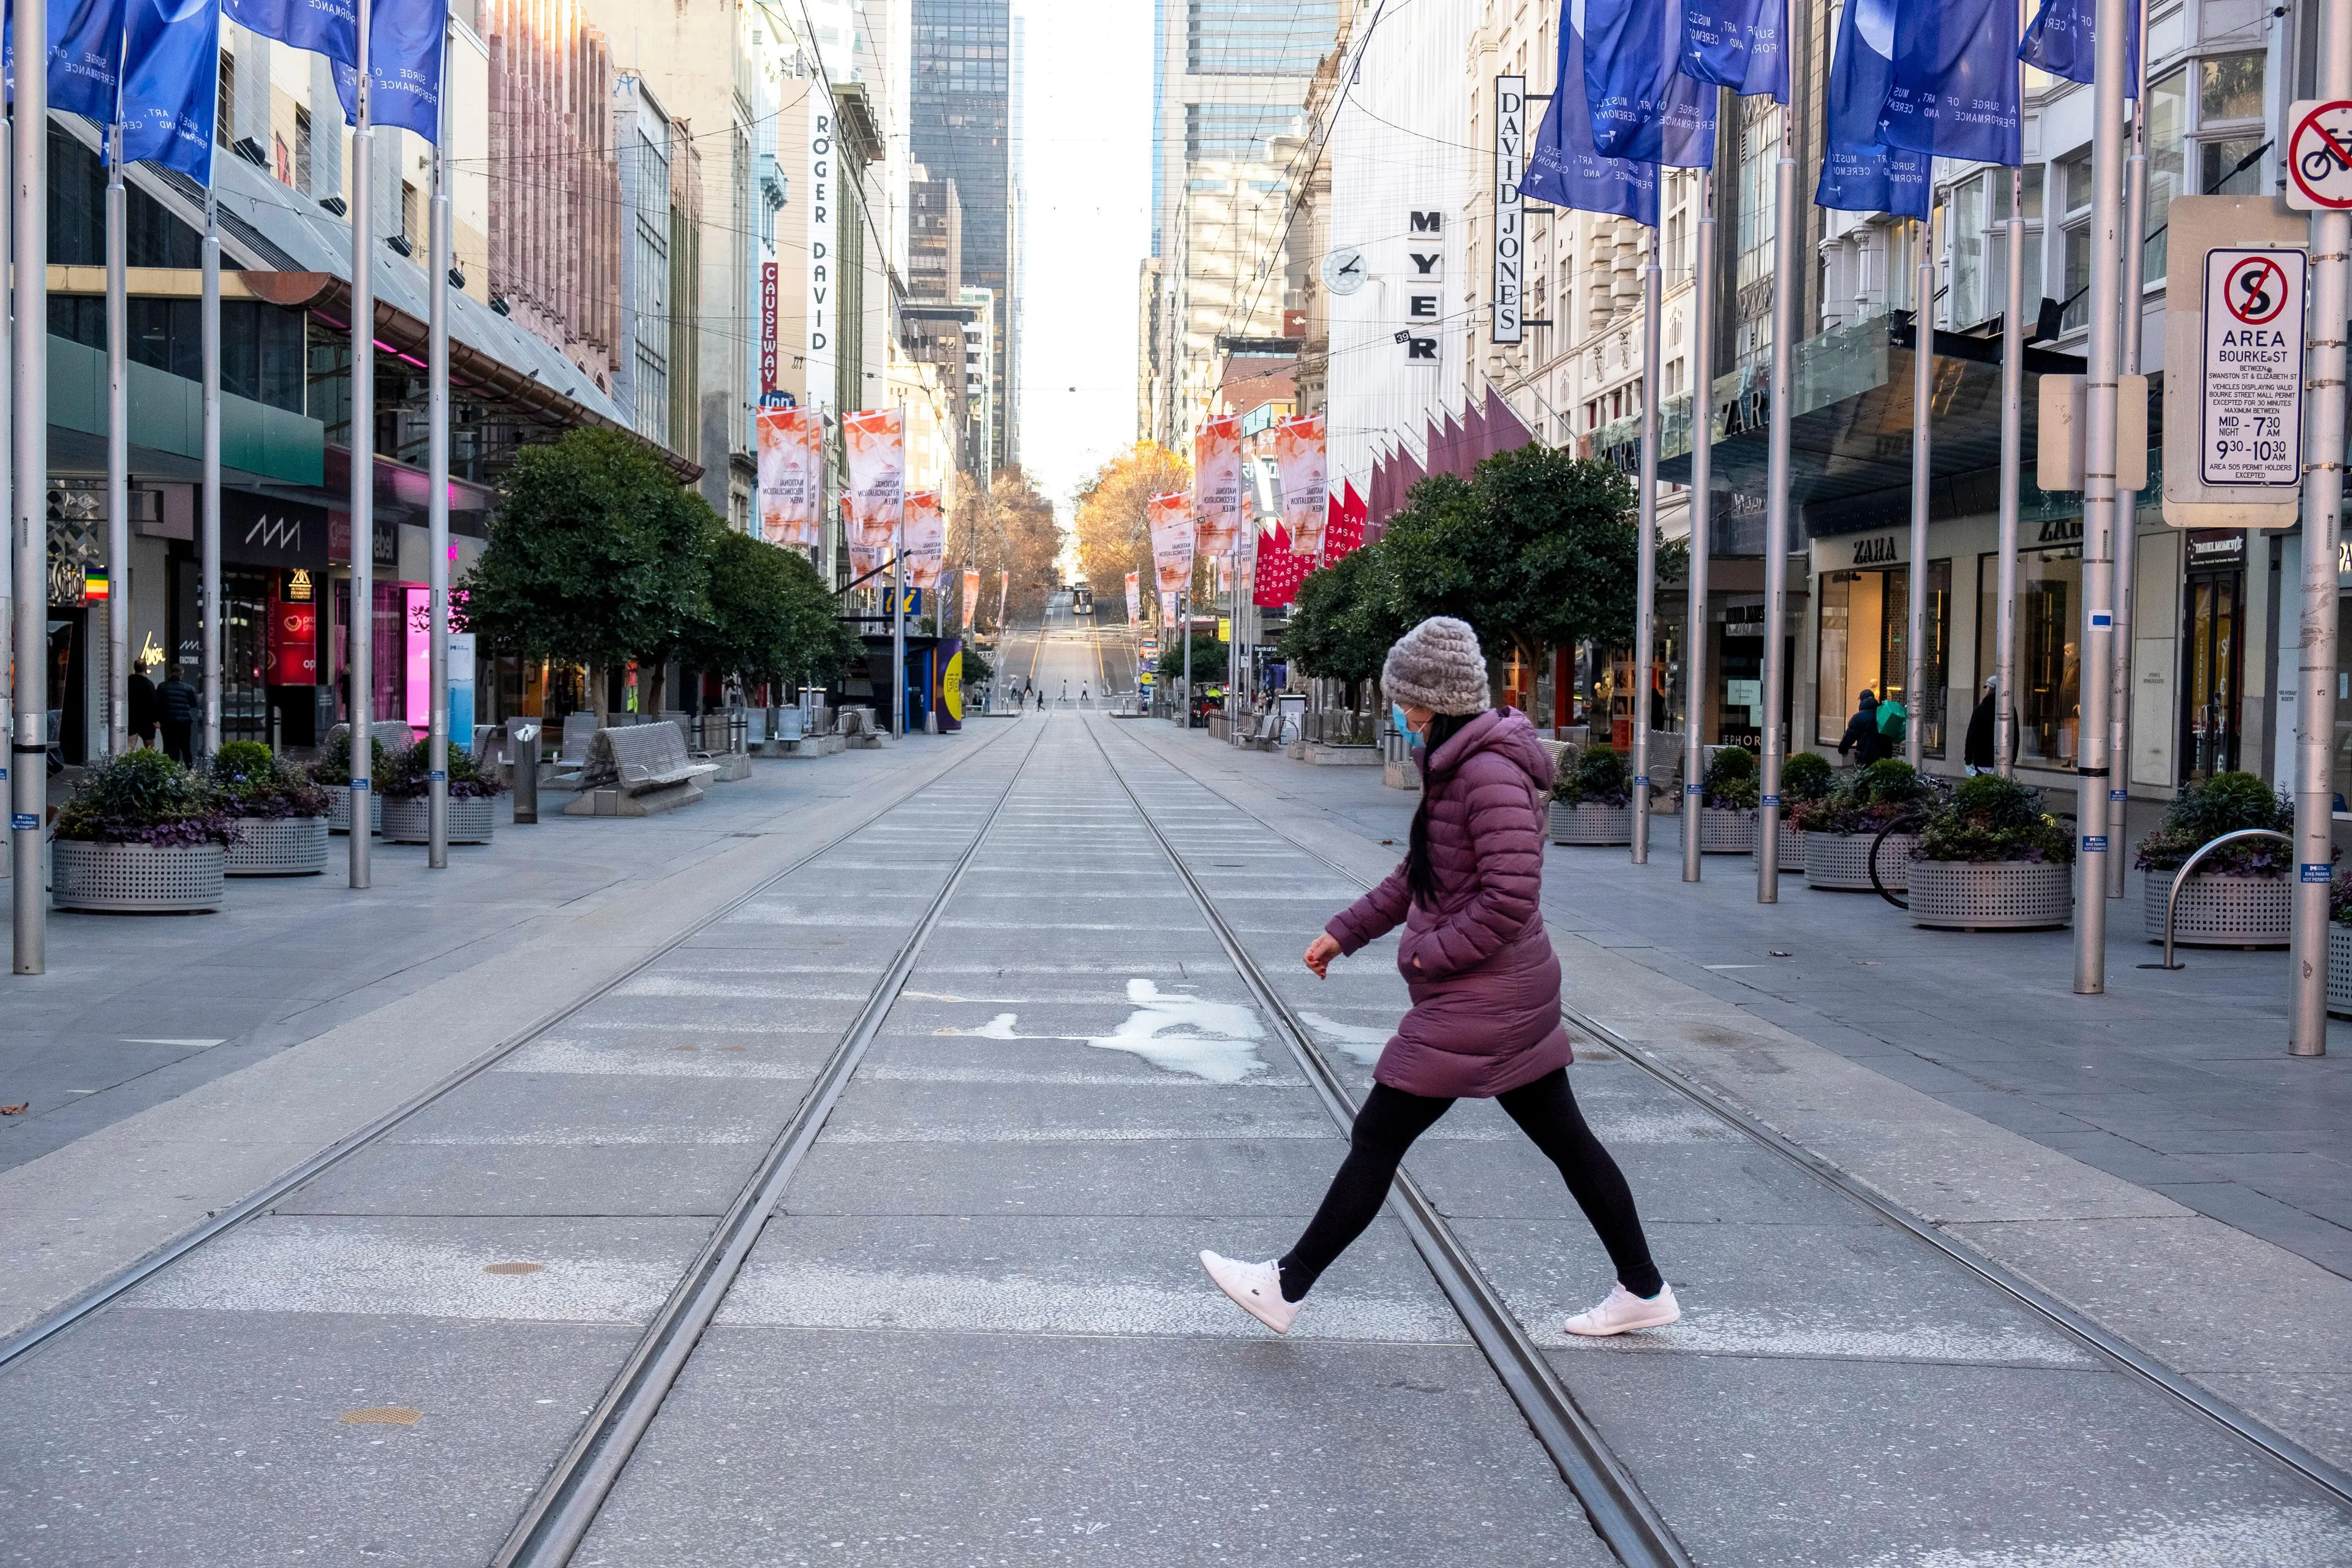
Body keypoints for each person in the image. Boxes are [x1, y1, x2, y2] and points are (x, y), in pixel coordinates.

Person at [1200, 616, 1678, 1339]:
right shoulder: (1456, 763)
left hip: (1484, 995)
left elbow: (1511, 894)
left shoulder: (1485, 772)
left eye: (1404, 701)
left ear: (1433, 701)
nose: (1399, 712)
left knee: (1379, 1133)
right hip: (1501, 991)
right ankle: (1643, 1287)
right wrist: (1346, 931)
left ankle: (1285, 1284)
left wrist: (1427, 956)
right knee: (1568, 1142)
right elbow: (1419, 872)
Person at [1963, 677, 2015, 774]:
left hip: (1982, 761)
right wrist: (2012, 760)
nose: (1986, 690)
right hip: (2003, 762)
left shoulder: (1980, 710)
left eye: (1987, 687)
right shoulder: (2010, 710)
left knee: (1982, 787)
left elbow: (1971, 737)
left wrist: (1968, 760)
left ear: (1993, 689)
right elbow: (2015, 737)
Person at [155, 664, 201, 764]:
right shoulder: (188, 688)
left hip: (168, 722)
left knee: (168, 747)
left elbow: (157, 704)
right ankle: (189, 769)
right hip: (184, 722)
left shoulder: (162, 687)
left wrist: (158, 719)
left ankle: (169, 769)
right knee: (185, 748)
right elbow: (194, 703)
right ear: (182, 675)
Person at [1836, 690, 1883, 766]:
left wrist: (1843, 750)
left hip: (1865, 756)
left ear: (1862, 701)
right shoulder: (1883, 714)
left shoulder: (1858, 717)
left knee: (1863, 776)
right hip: (1883, 757)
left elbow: (1849, 736)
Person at [127, 665, 158, 748]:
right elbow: (154, 703)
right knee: (150, 747)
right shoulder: (148, 684)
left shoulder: (128, 681)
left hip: (131, 718)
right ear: (145, 669)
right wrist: (156, 720)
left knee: (130, 747)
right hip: (146, 720)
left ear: (134, 668)